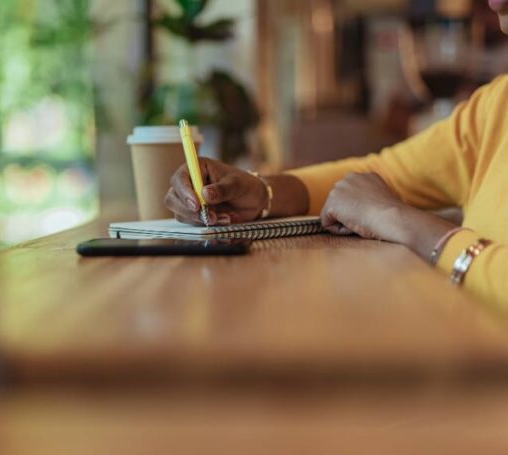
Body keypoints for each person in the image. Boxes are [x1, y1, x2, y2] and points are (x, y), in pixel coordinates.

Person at [165, 1, 508, 309]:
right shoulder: (497, 106)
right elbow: (379, 175)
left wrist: (400, 221)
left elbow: (379, 202)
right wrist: (262, 192)